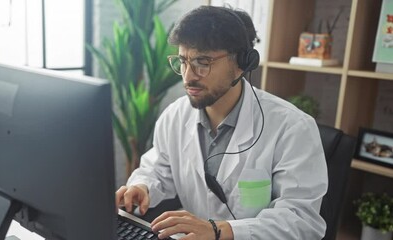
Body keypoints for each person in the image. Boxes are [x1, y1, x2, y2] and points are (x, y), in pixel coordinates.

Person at [115, 5, 328, 240]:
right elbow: (158, 167)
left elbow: (302, 221)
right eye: (183, 61)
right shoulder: (175, 116)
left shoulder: (292, 128)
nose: (188, 76)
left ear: (241, 63)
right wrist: (142, 186)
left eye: (203, 62)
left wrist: (221, 231)